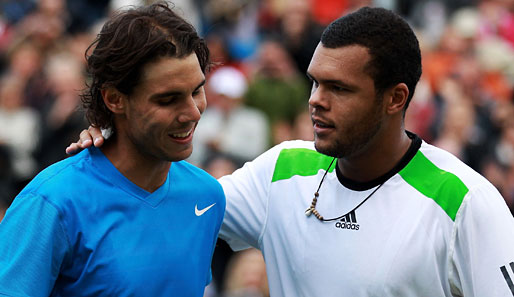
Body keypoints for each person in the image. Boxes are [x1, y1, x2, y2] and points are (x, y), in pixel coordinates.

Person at [67, 6, 514, 297]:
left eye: (338, 88)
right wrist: (116, 144)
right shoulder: (283, 169)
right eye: (316, 81)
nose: (316, 99)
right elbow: (170, 202)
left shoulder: (467, 202)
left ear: (395, 98)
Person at [0, 3, 225, 296]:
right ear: (114, 99)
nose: (193, 113)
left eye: (196, 90)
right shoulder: (51, 203)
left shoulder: (207, 195)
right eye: (168, 100)